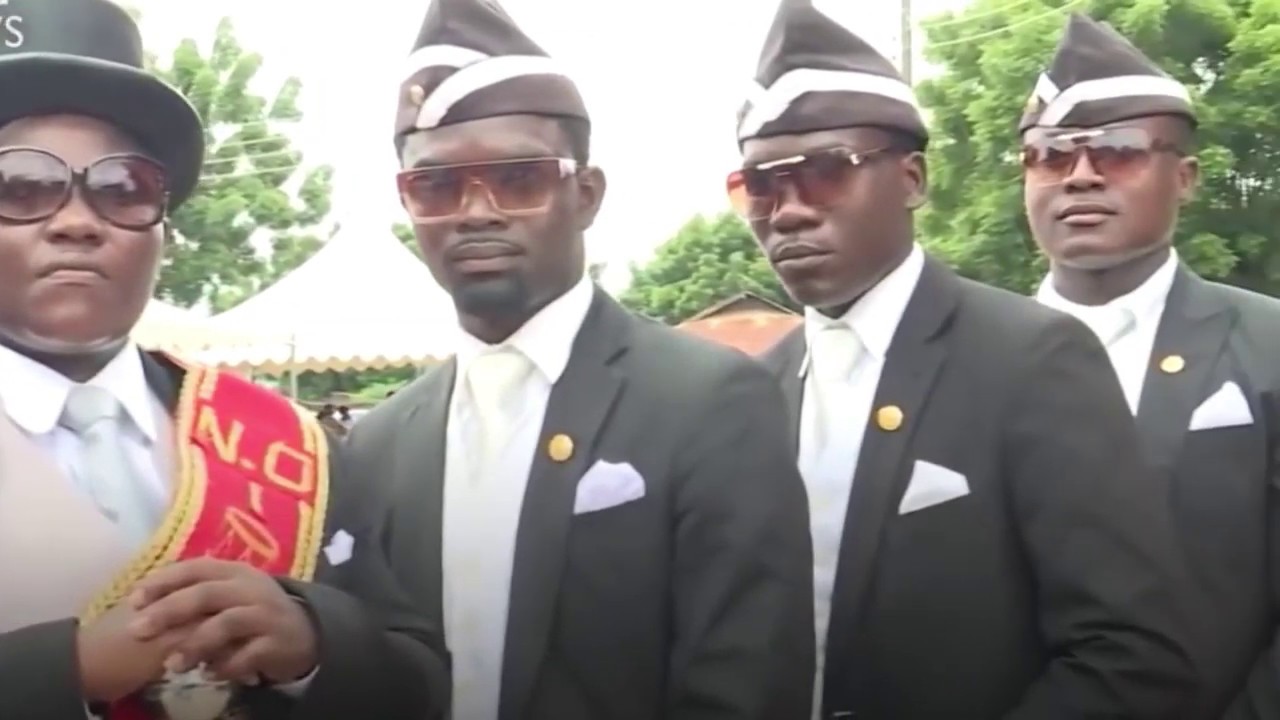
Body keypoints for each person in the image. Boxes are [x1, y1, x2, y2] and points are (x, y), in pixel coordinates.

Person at [342, 0, 815, 718]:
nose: (476, 211)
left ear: (586, 195)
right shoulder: (378, 444)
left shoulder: (709, 402)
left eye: (519, 179)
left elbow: (749, 686)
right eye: (436, 186)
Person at [731, 1, 1197, 717]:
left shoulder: (1032, 358)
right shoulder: (752, 391)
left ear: (912, 179)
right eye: (760, 184)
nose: (788, 211)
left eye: (825, 172)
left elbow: (1131, 653)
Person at [0, 1, 449, 718]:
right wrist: (69, 674)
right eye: (21, 186)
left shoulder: (291, 448)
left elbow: (421, 684)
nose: (78, 221)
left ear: (164, 232)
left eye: (122, 188)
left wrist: (315, 645)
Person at [1024, 13, 1280, 718]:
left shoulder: (1268, 344)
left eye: (1119, 151)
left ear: (1186, 177)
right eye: (1050, 154)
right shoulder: (962, 360)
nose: (1080, 176)